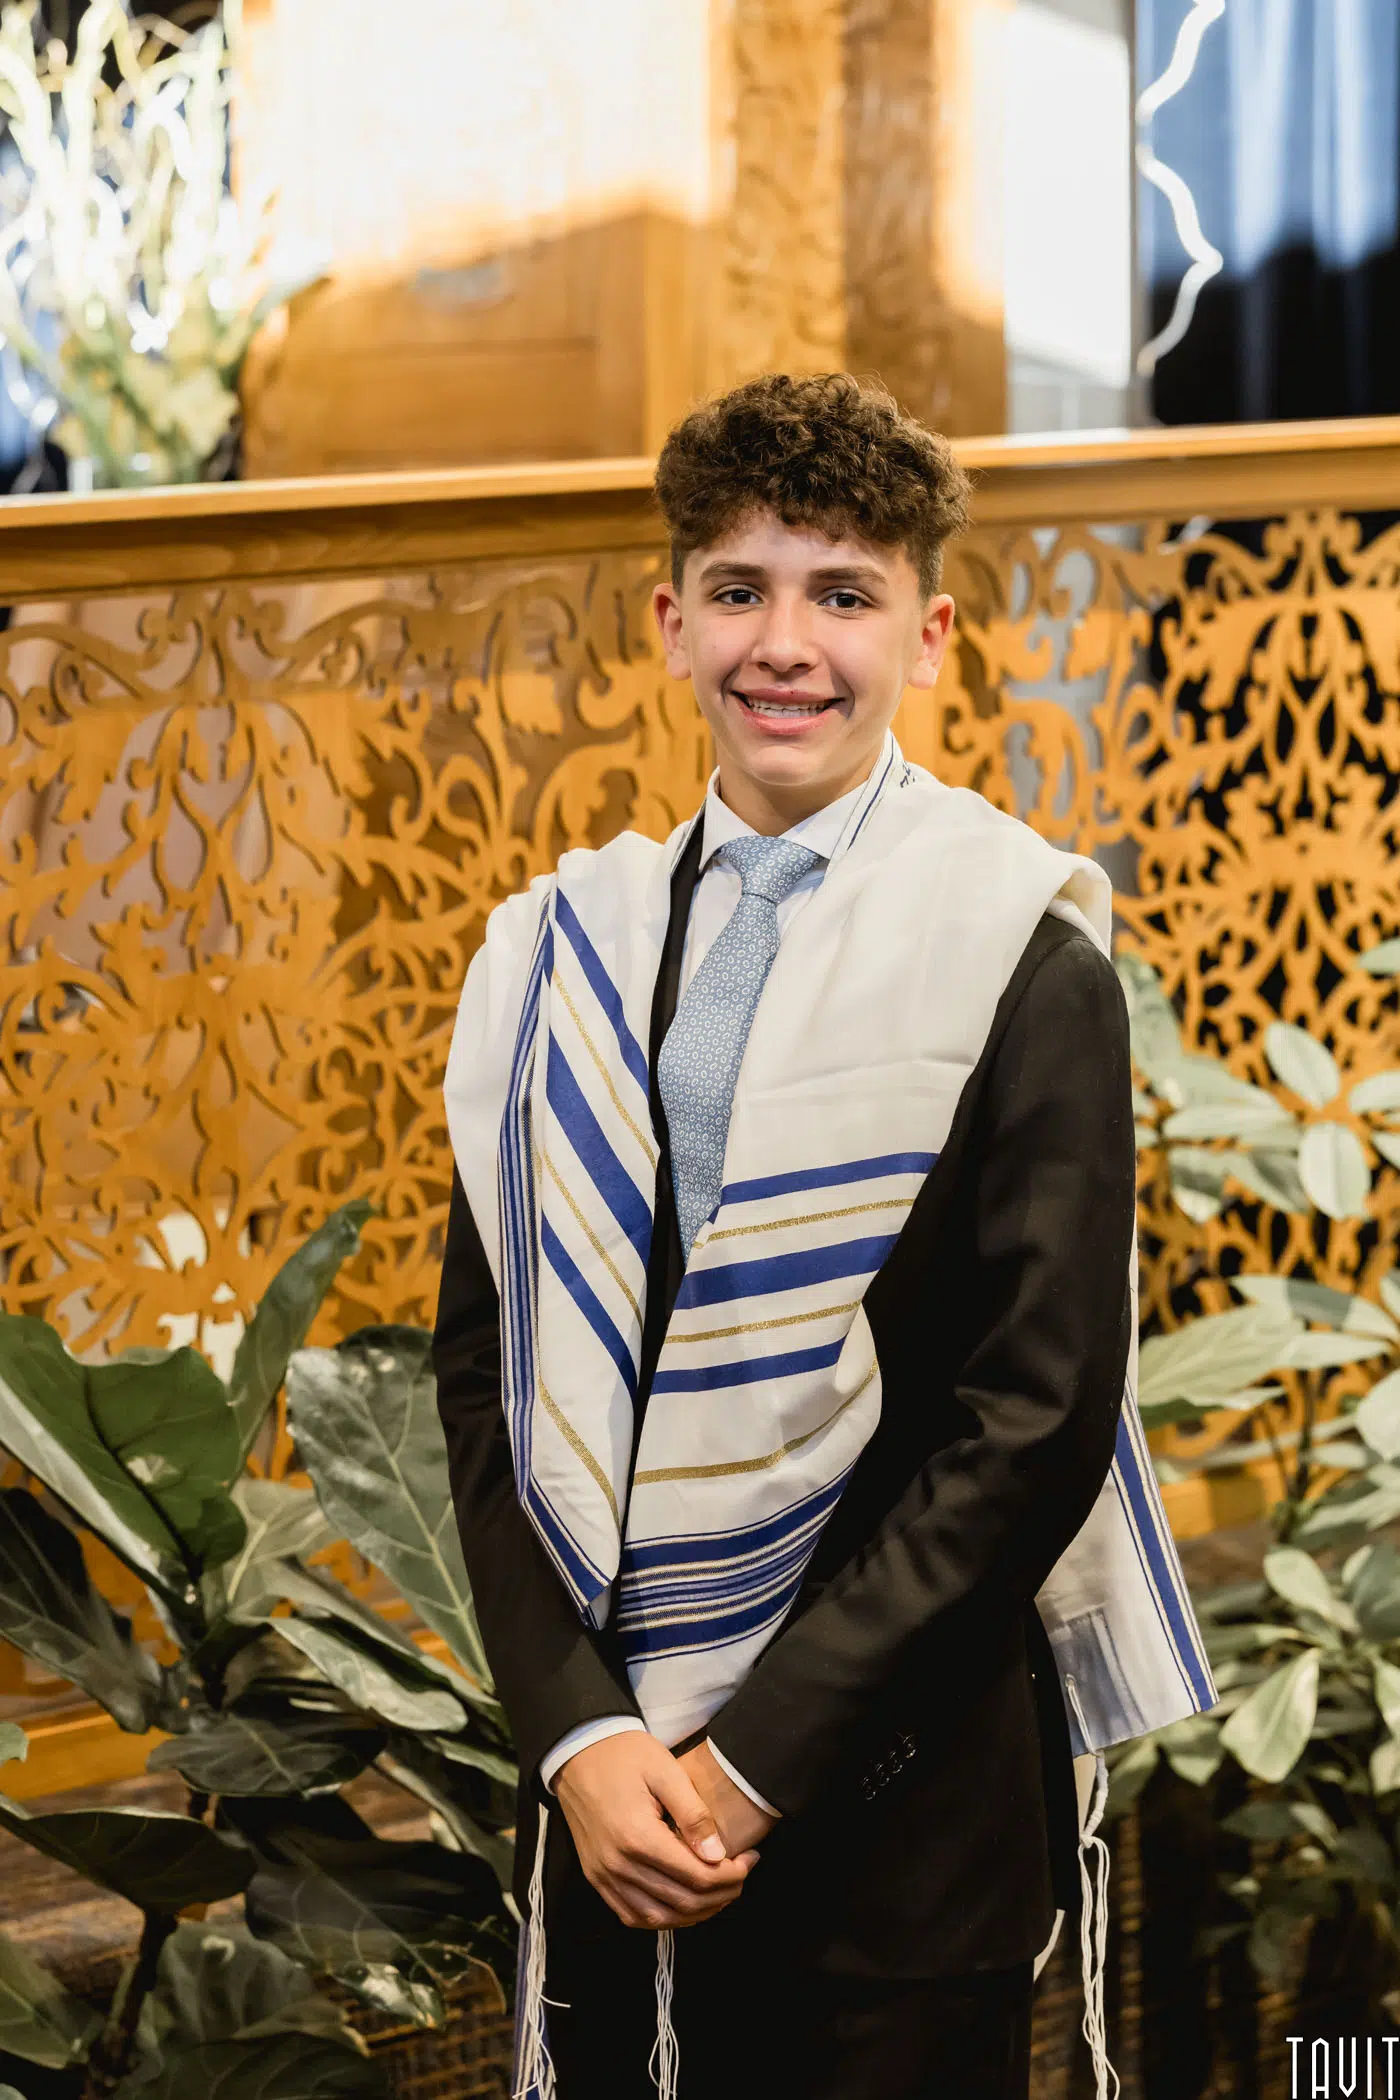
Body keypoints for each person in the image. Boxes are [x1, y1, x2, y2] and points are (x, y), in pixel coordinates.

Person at [434, 372, 1217, 2100]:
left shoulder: (1023, 951)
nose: (786, 645)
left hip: (892, 1817)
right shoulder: (558, 955)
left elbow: (1033, 1423)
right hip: (609, 1791)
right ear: (671, 619)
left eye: (843, 595)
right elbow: (482, 1374)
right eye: (742, 590)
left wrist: (753, 1767)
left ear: (928, 634)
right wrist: (579, 1734)